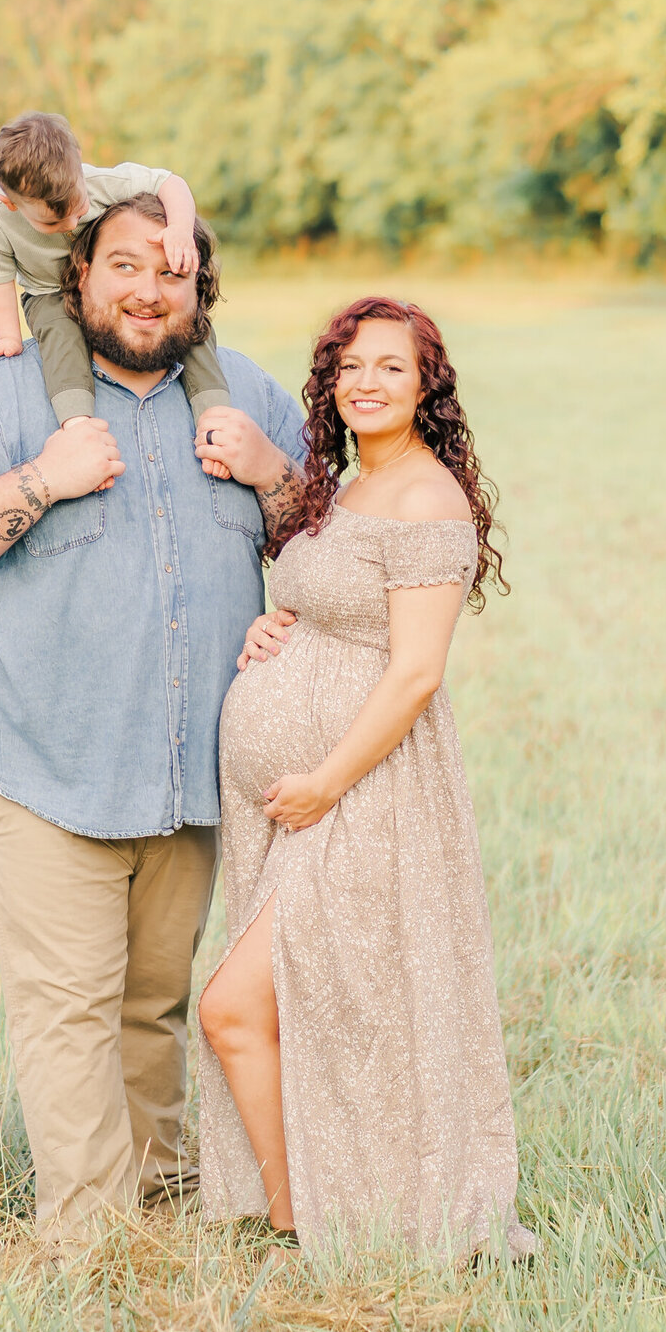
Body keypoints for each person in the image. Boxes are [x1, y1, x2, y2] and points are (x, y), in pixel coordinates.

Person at [0, 193, 306, 1253]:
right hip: (49, 762)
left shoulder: (245, 395)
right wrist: (44, 478)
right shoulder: (4, 398)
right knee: (69, 1011)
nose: (148, 288)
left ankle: (162, 1195)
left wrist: (274, 476)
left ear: (200, 285)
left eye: (171, 269)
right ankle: (92, 1244)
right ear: (78, 277)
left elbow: (331, 557)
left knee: (155, 1002)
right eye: (125, 264)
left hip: (192, 773)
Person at [197, 296, 536, 1261]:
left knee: (240, 1004)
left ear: (427, 384)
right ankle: (313, 1207)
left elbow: (417, 672)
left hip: (366, 789)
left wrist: (324, 782)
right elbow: (323, 594)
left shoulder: (429, 498)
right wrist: (277, 627)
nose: (365, 382)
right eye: (348, 365)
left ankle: (303, 1212)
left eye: (390, 365)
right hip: (308, 791)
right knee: (322, 996)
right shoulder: (345, 486)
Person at [0, 110, 231, 476]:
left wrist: (181, 229)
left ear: (80, 170)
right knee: (61, 339)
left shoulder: (97, 181)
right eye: (53, 222)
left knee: (185, 325)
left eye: (78, 209)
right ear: (11, 203)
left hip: (102, 285)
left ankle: (217, 419)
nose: (72, 225)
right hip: (48, 290)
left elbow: (170, 183)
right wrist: (8, 336)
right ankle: (79, 430)